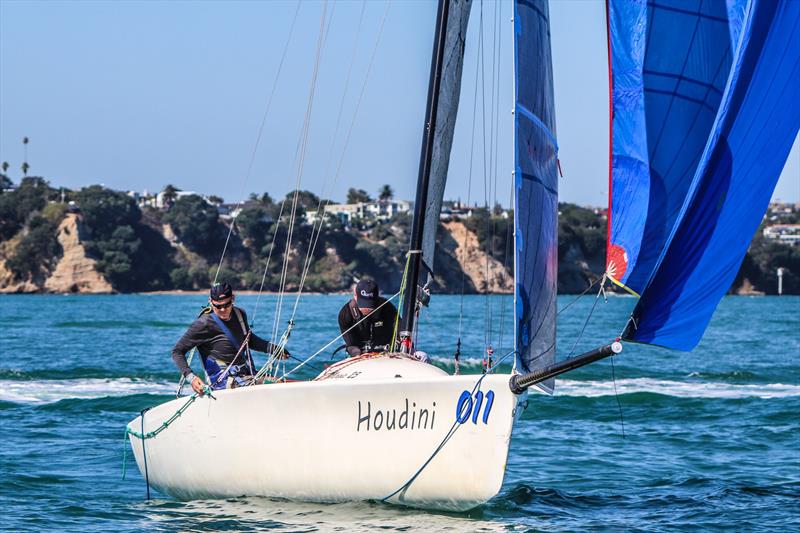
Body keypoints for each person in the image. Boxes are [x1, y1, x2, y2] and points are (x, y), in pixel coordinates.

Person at [172, 281, 289, 394]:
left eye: (227, 305)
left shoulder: (239, 314)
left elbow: (249, 340)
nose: (223, 310)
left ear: (233, 298)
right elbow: (177, 351)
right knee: (271, 387)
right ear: (211, 302)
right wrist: (191, 377)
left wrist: (273, 349)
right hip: (222, 382)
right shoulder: (203, 324)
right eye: (218, 306)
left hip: (246, 375)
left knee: (281, 384)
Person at [338, 279, 398, 357]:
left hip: (387, 352)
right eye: (363, 303)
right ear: (355, 296)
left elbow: (400, 328)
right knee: (354, 349)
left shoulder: (387, 308)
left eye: (370, 304)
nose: (367, 309)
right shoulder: (346, 314)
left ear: (377, 297)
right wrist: (357, 354)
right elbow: (351, 343)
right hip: (359, 352)